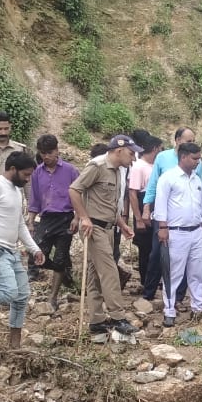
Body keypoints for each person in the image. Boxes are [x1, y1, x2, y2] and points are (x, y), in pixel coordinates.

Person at [70, 134, 142, 338]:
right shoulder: (97, 166)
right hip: (94, 228)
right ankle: (118, 317)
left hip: (109, 227)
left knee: (95, 276)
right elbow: (74, 190)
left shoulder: (119, 170)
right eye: (131, 153)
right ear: (119, 150)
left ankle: (97, 322)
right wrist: (83, 218)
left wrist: (122, 225)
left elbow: (110, 204)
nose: (133, 158)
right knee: (110, 271)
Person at [0, 152, 44, 347]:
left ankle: (15, 343)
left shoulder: (15, 190)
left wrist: (34, 249)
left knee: (22, 296)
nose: (28, 179)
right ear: (13, 169)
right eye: (26, 175)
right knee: (9, 292)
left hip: (12, 250)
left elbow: (20, 223)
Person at [154, 141, 202, 328]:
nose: (198, 162)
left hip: (196, 231)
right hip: (176, 232)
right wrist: (163, 227)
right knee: (173, 274)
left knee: (196, 272)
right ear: (183, 157)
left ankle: (199, 307)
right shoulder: (168, 177)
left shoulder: (196, 179)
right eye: (195, 158)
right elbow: (161, 203)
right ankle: (169, 311)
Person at [141, 127, 200, 302]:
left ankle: (178, 297)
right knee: (158, 252)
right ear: (177, 140)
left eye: (193, 141)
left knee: (183, 259)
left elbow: (199, 187)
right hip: (163, 216)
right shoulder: (163, 157)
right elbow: (153, 184)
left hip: (185, 219)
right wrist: (146, 208)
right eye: (188, 141)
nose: (192, 144)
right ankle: (149, 292)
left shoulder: (197, 161)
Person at [27, 134, 78, 313]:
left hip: (65, 218)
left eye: (49, 152)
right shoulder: (37, 173)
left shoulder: (71, 171)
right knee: (37, 253)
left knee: (61, 257)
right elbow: (34, 199)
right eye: (43, 153)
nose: (46, 156)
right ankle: (64, 271)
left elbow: (80, 196)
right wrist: (31, 221)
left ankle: (53, 296)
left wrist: (77, 217)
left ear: (57, 150)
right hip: (46, 219)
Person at [128, 132, 160, 290]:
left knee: (156, 246)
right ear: (154, 149)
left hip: (156, 207)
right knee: (145, 247)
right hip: (142, 205)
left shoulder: (155, 166)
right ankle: (145, 281)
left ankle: (154, 279)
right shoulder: (138, 166)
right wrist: (138, 218)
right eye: (160, 150)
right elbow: (133, 193)